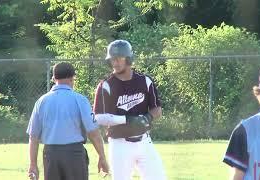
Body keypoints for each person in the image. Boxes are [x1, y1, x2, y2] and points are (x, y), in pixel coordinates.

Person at [93, 39, 166, 180]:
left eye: (119, 58)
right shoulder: (106, 85)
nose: (115, 63)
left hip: (144, 141)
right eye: (112, 59)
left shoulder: (145, 81)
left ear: (128, 58)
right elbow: (99, 117)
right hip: (119, 144)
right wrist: (128, 119)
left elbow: (157, 109)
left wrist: (147, 118)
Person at [26, 62, 109, 180]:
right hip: (74, 154)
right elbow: (93, 133)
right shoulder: (80, 100)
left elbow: (33, 136)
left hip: (51, 154)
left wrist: (33, 165)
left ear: (54, 78)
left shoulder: (41, 102)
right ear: (72, 78)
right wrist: (102, 156)